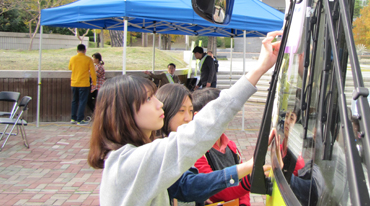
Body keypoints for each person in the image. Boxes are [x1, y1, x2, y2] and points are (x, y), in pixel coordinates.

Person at [87, 30, 281, 206]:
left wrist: (248, 166)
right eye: (148, 99)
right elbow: (198, 132)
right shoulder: (129, 164)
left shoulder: (139, 156)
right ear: (124, 113)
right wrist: (259, 69)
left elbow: (186, 187)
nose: (159, 104)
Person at [156, 84, 256, 206]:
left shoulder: (231, 146)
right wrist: (248, 175)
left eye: (190, 110)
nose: (188, 118)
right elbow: (208, 189)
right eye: (182, 111)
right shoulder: (196, 151)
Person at [192, 88, 252, 206]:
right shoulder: (197, 151)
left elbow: (242, 181)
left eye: (226, 111)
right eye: (217, 112)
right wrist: (250, 178)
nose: (225, 117)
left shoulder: (231, 146)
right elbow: (216, 190)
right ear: (198, 116)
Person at [68, 44, 96, 125]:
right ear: (85, 50)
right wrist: (94, 83)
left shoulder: (73, 58)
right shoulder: (88, 59)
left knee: (74, 100)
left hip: (74, 82)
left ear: (77, 50)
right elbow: (93, 72)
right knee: (82, 101)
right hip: (84, 83)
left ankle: (73, 118)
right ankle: (80, 120)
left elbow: (70, 67)